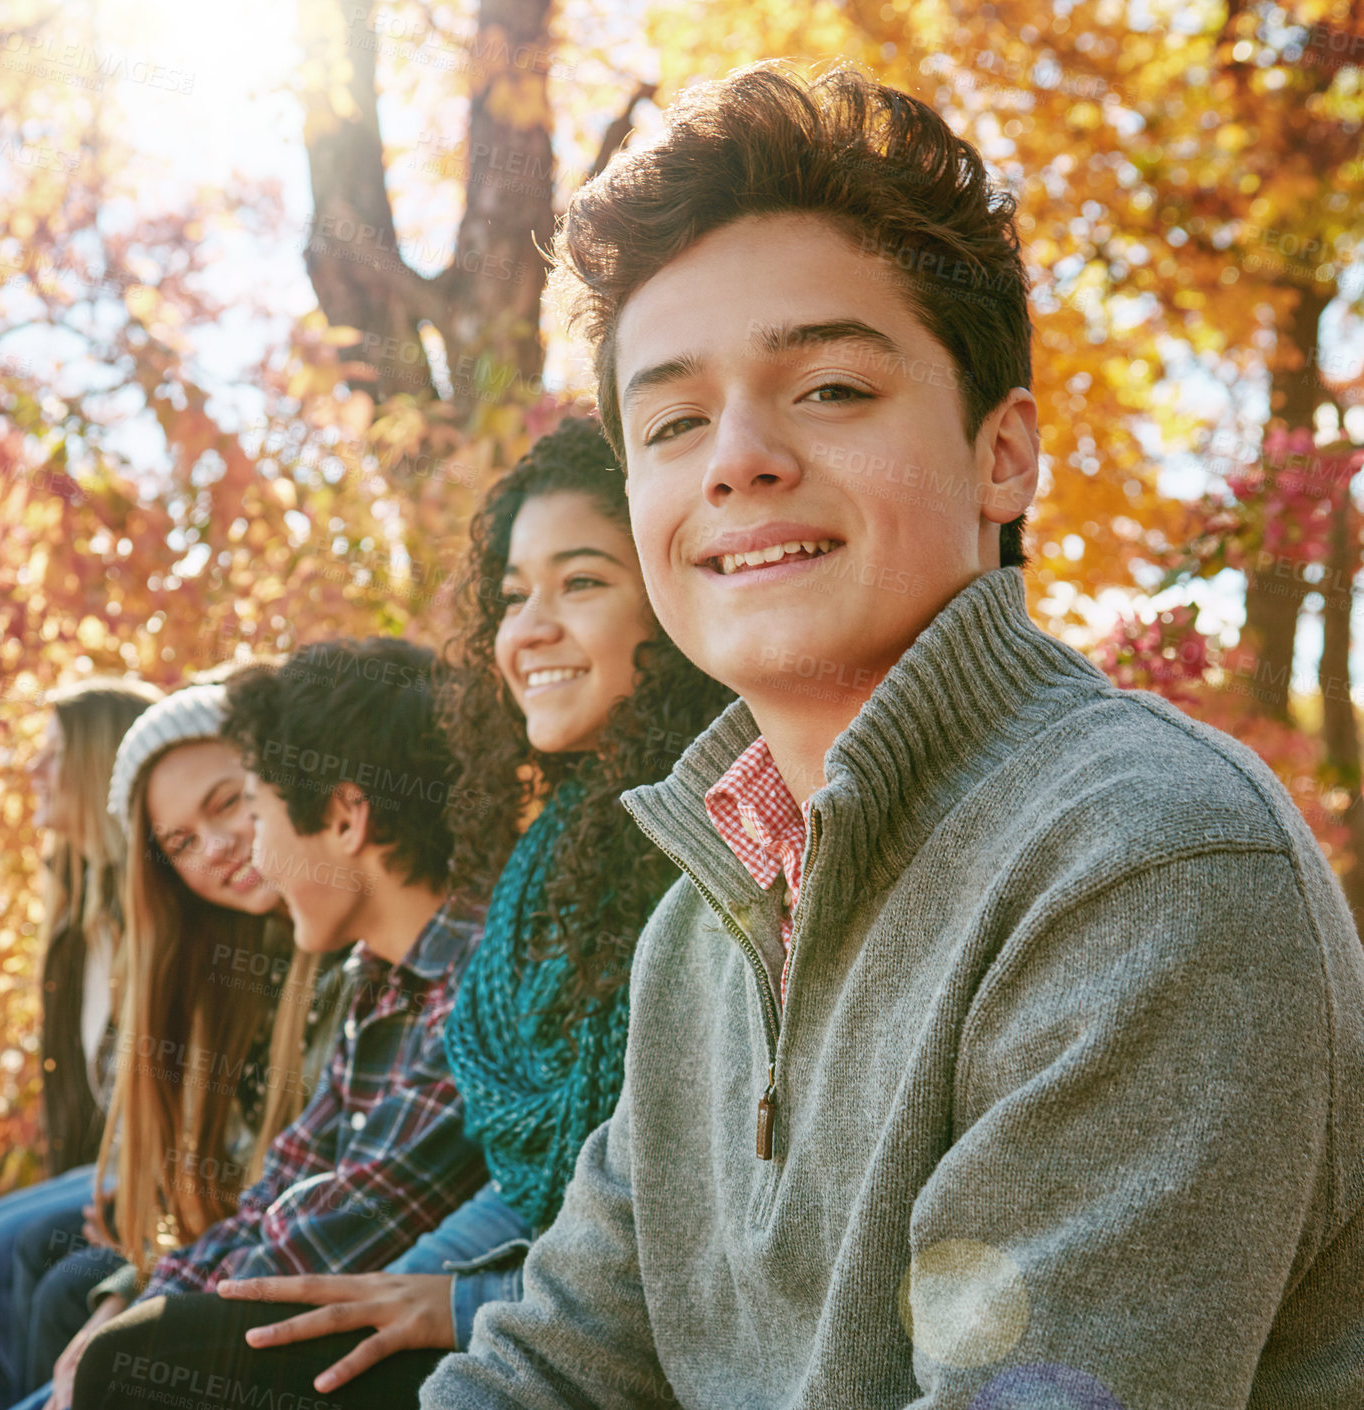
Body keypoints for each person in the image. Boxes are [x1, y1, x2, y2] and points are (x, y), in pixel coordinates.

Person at [417, 61, 1364, 1408]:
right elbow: (550, 1366)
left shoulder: (1146, 861)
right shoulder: (706, 927)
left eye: (830, 390)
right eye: (674, 421)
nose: (736, 458)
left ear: (1003, 456)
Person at [69, 418, 733, 1407]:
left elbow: (671, 1219)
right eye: (513, 598)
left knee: (131, 1360)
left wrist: (463, 1300)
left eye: (581, 583)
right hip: (528, 1293)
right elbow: (426, 1186)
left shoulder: (691, 855)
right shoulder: (545, 876)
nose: (531, 629)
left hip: (606, 1333)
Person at [64, 637, 489, 1406]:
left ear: (345, 816)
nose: (246, 849)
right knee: (101, 1336)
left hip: (449, 1342)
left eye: (250, 809)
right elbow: (280, 1186)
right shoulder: (376, 979)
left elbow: (345, 1227)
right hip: (343, 1303)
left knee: (126, 1360)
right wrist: (142, 1298)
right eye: (181, 843)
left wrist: (151, 1315)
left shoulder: (472, 987)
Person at [9, 682, 347, 1410]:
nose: (219, 849)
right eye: (182, 843)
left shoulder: (349, 952)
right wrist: (131, 1286)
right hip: (210, 1252)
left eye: (228, 803)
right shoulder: (218, 973)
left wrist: (145, 1293)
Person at [0, 678, 160, 1410]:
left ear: (102, 764)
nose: (33, 769)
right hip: (106, 1166)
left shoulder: (166, 913)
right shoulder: (76, 928)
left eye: (54, 753)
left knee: (0, 1258)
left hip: (156, 1166)